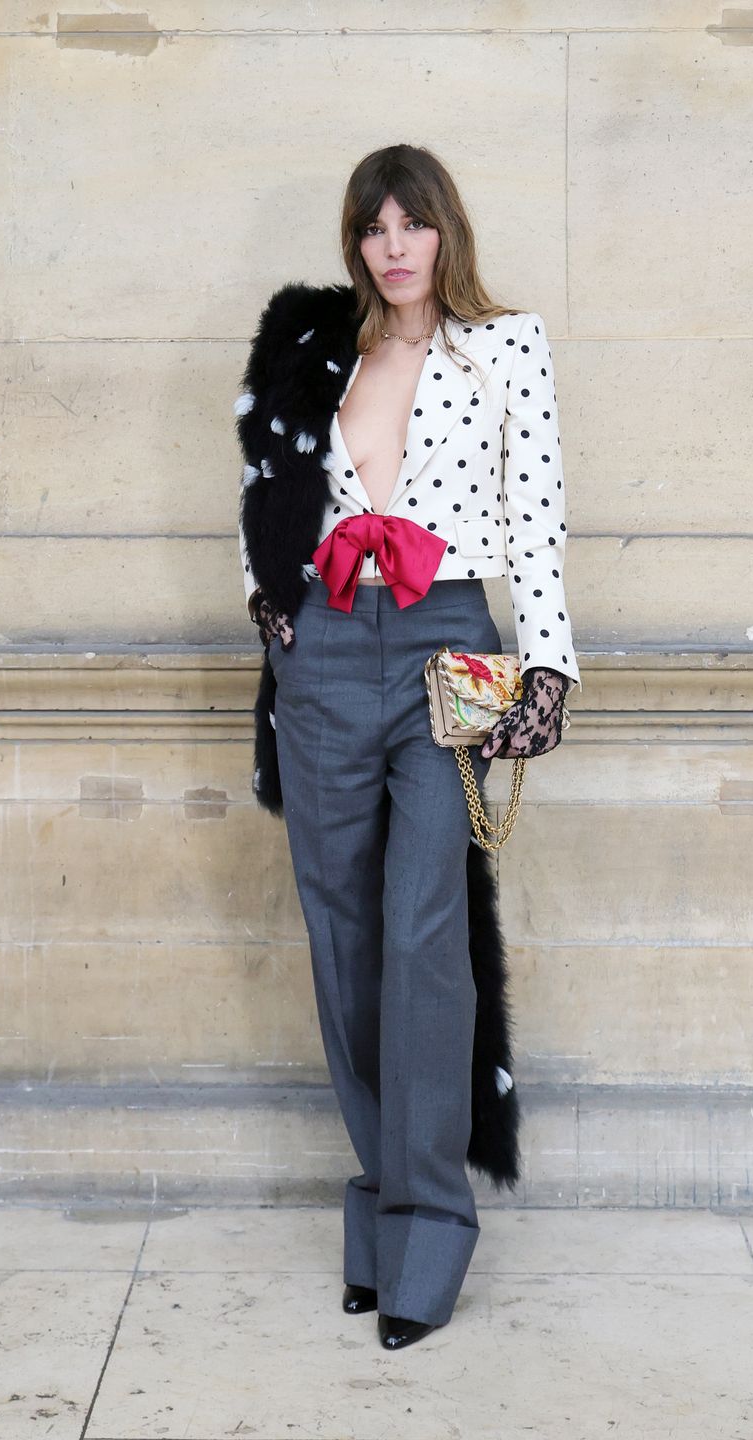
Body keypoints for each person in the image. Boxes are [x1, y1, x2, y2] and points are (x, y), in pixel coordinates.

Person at [235, 143, 581, 1350]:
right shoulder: (321, 349)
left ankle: (432, 1226)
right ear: (357, 241)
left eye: (412, 224)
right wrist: (267, 606)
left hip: (449, 643)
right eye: (374, 227)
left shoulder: (504, 348)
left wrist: (548, 668)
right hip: (324, 650)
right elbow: (267, 482)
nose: (394, 247)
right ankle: (381, 1207)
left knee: (427, 933)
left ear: (444, 233)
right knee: (343, 934)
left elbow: (535, 519)